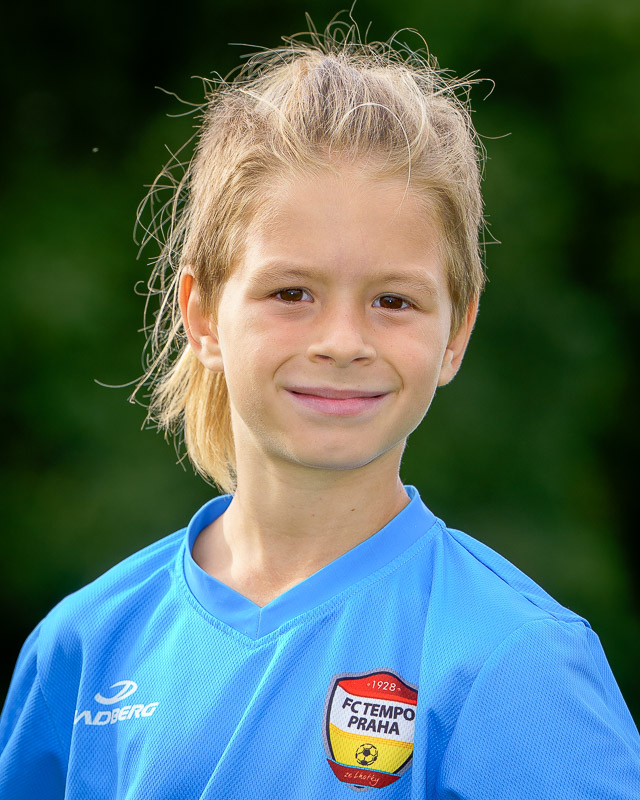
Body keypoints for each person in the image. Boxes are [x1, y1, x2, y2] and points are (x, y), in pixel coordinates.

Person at [1, 19, 639, 799]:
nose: (342, 341)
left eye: (393, 300)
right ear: (203, 315)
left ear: (455, 334)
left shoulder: (518, 663)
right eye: (292, 292)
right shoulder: (84, 647)